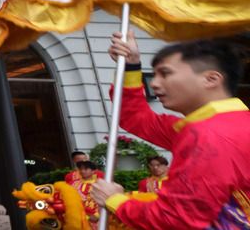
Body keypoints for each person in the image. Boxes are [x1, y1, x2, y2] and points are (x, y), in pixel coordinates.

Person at [90, 35, 250, 229]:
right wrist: (131, 64)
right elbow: (135, 118)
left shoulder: (209, 135)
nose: (155, 83)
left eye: (165, 74)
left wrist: (115, 200)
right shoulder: (216, 126)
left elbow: (177, 219)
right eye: (155, 75)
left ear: (211, 79)